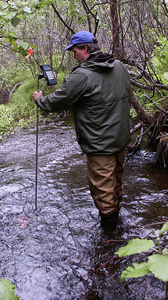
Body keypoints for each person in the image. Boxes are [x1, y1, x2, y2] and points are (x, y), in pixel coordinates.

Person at [32, 31, 131, 231]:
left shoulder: (81, 75)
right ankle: (117, 229)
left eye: (74, 51)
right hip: (120, 140)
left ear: (85, 49)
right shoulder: (120, 67)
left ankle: (110, 236)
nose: (73, 55)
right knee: (116, 186)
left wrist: (39, 99)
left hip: (99, 145)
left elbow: (56, 102)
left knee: (103, 193)